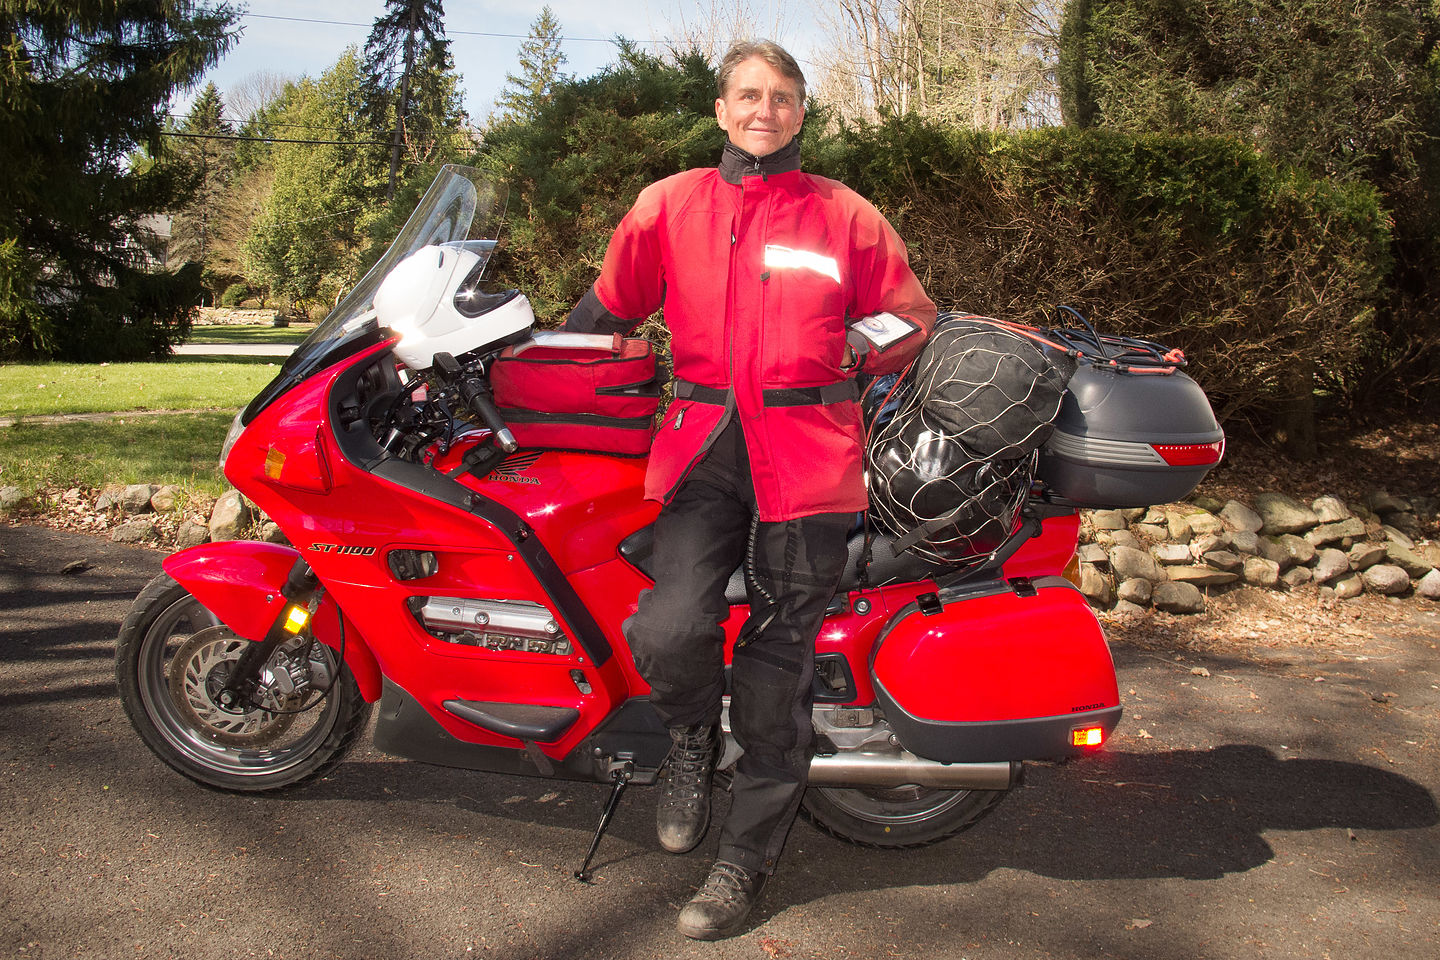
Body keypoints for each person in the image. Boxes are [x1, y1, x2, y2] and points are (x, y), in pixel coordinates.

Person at [564, 40, 936, 940]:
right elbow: (608, 307)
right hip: (703, 448)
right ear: (722, 110)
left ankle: (743, 863)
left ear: (800, 113)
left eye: (781, 97)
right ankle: (690, 735)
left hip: (809, 454)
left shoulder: (845, 215)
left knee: (777, 671)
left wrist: (860, 345)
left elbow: (912, 315)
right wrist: (530, 362)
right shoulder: (670, 205)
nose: (763, 110)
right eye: (747, 96)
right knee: (667, 625)